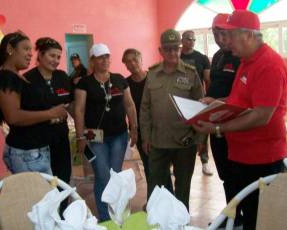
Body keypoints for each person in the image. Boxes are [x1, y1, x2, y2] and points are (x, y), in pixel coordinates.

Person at [192, 10, 287, 230]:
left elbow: (261, 115)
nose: (226, 42)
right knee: (245, 212)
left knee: (259, 218)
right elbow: (241, 100)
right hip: (242, 154)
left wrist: (218, 127)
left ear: (249, 35)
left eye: (230, 36)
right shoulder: (246, 61)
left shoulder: (269, 65)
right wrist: (217, 103)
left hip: (261, 158)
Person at [140, 29, 205, 211]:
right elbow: (145, 108)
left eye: (175, 49)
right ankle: (158, 222)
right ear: (160, 51)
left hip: (184, 141)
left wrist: (201, 139)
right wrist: (145, 137)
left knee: (183, 188)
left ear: (180, 48)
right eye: (167, 49)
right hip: (158, 142)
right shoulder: (152, 74)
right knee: (156, 188)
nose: (172, 53)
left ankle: (181, 223)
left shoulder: (191, 74)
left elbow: (201, 109)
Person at [0, 31, 68, 175]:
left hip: (36, 150)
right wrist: (51, 113)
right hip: (26, 152)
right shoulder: (6, 78)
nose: (31, 54)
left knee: (48, 195)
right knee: (40, 197)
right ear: (10, 50)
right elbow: (13, 116)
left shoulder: (14, 76)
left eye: (31, 50)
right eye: (25, 49)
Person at [73, 43, 138, 222]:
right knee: (102, 174)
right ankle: (104, 217)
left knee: (114, 174)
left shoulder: (119, 79)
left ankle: (116, 211)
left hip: (119, 135)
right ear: (92, 60)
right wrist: (80, 136)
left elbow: (130, 105)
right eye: (100, 57)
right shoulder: (85, 83)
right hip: (95, 136)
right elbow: (78, 110)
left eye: (107, 56)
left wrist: (134, 128)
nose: (105, 60)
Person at [200, 13, 242, 227]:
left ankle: (238, 216)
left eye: (223, 32)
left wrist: (217, 101)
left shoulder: (240, 56)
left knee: (237, 174)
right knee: (225, 173)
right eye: (215, 33)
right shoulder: (217, 57)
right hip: (215, 124)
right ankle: (231, 215)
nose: (219, 38)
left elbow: (244, 97)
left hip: (236, 125)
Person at [23, 37, 74, 213]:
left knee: (63, 177)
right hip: (38, 142)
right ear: (41, 55)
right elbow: (22, 114)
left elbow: (71, 105)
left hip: (60, 137)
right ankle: (45, 217)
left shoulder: (62, 77)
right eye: (52, 56)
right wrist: (48, 115)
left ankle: (62, 214)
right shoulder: (27, 80)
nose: (56, 60)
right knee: (43, 182)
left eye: (59, 57)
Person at [121, 48, 174, 201]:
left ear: (141, 60)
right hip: (139, 130)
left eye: (134, 59)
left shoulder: (154, 78)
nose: (131, 64)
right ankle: (154, 201)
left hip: (158, 129)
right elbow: (126, 107)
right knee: (149, 166)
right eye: (128, 61)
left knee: (161, 167)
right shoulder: (126, 83)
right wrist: (132, 130)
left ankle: (169, 199)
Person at [180, 30, 213, 176]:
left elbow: (207, 80)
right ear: (182, 40)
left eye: (194, 39)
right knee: (182, 131)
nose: (191, 41)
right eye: (188, 38)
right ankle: (179, 164)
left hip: (198, 100)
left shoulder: (202, 58)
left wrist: (210, 98)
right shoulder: (177, 57)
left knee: (201, 131)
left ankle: (205, 162)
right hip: (181, 99)